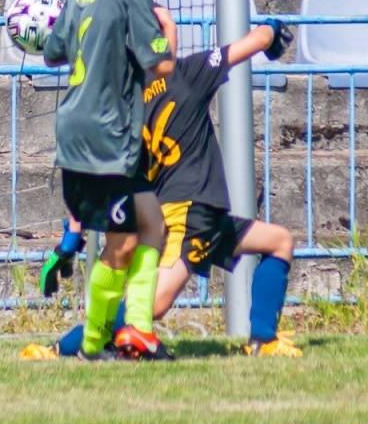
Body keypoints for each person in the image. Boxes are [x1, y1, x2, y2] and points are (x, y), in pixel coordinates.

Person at [29, 19, 303, 360]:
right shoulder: (186, 73)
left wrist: (72, 237)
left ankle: (264, 339)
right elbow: (254, 41)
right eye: (166, 26)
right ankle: (62, 349)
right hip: (187, 211)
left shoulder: (122, 103)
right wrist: (273, 30)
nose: (172, 31)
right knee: (152, 306)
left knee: (279, 241)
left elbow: (95, 172)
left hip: (201, 210)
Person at [41, 0, 175, 361]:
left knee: (153, 225)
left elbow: (53, 51)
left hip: (79, 131)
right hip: (110, 137)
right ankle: (95, 343)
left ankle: (137, 331)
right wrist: (168, 40)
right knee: (122, 245)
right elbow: (159, 63)